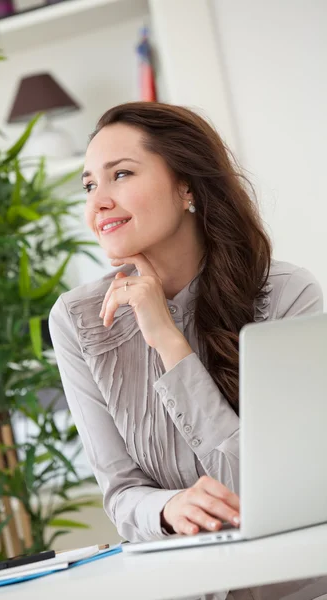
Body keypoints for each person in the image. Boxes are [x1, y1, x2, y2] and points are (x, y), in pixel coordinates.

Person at [49, 102, 326, 600]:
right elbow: (120, 494)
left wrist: (165, 337)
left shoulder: (288, 294)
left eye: (122, 175)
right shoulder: (77, 319)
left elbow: (263, 492)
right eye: (90, 185)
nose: (99, 202)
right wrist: (167, 507)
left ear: (187, 187)